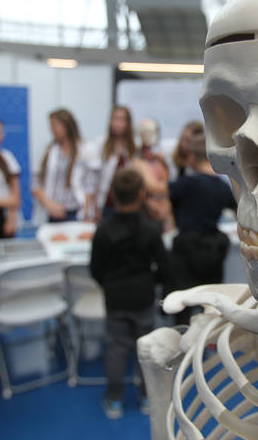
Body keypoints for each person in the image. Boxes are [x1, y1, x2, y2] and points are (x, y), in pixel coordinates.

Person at [90, 168, 169, 419]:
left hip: (115, 298)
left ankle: (114, 399)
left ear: (113, 194)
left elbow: (95, 269)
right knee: (146, 348)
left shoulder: (103, 229)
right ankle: (146, 397)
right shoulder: (150, 228)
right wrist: (149, 281)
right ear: (142, 194)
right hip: (143, 296)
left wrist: (110, 284)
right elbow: (164, 266)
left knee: (116, 348)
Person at [168, 133, 236, 325]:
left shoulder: (186, 184)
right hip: (212, 249)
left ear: (191, 157)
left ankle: (183, 337)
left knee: (182, 304)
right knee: (210, 301)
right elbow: (237, 209)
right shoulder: (222, 187)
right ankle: (209, 336)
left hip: (187, 250)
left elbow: (162, 192)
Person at [33, 109, 93, 222]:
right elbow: (35, 183)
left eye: (55, 125)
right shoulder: (48, 152)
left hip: (77, 211)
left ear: (68, 125)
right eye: (51, 125)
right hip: (52, 211)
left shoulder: (85, 149)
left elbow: (90, 184)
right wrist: (49, 204)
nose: (52, 129)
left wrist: (86, 211)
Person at [88, 106, 137, 221]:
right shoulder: (101, 144)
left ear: (128, 123)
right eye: (115, 119)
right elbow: (92, 179)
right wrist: (93, 207)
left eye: (121, 119)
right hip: (106, 203)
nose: (117, 123)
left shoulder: (136, 146)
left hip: (130, 204)